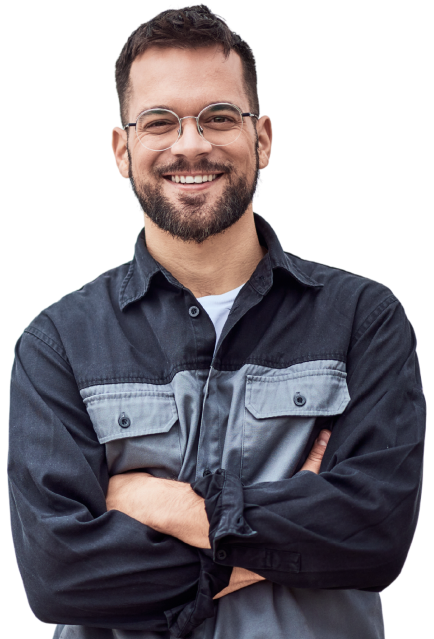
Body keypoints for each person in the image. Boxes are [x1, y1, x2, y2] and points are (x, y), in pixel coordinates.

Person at [8, 5, 425, 639]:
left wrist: (159, 504)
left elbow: (375, 537)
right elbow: (58, 575)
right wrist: (287, 533)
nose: (191, 143)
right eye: (160, 122)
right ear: (122, 150)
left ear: (263, 139)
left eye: (219, 118)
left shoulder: (363, 320)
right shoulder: (59, 342)